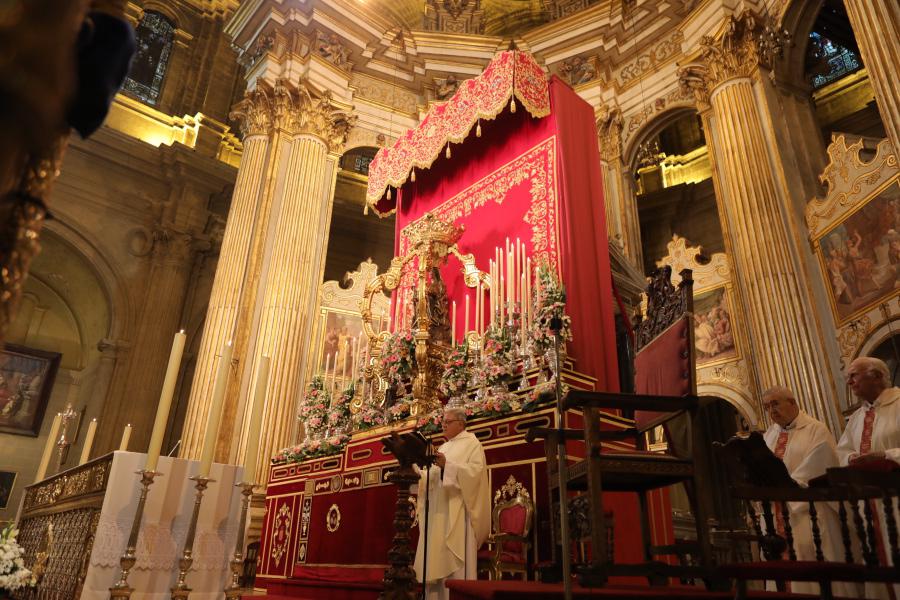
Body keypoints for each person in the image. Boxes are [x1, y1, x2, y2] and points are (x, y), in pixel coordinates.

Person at [761, 386, 860, 597]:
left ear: (793, 402)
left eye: (776, 404)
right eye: (767, 407)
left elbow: (819, 463)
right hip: (777, 510)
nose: (772, 410)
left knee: (808, 561)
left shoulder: (816, 429)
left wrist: (786, 487)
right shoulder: (769, 435)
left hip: (807, 511)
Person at [836, 357, 900, 599]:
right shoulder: (857, 417)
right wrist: (852, 458)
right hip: (868, 502)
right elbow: (842, 451)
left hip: (896, 498)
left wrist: (886, 455)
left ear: (876, 376)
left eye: (854, 376)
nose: (850, 382)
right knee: (876, 559)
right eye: (848, 378)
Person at [414, 407, 490, 600]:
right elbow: (434, 476)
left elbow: (475, 474)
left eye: (448, 422)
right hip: (439, 512)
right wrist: (419, 473)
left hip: (458, 514)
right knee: (437, 556)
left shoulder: (472, 443)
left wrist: (448, 465)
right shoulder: (445, 447)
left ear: (461, 423)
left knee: (454, 560)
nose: (443, 425)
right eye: (443, 422)